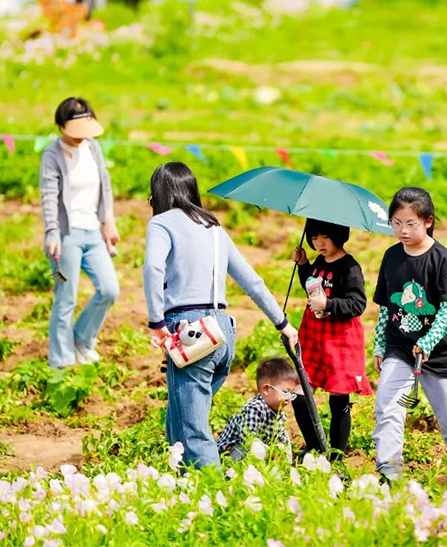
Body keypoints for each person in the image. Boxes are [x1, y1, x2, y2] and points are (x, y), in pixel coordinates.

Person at [143, 162, 298, 469]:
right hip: (222, 332)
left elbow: (152, 268)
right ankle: (181, 480)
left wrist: (156, 322)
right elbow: (252, 282)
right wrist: (283, 323)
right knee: (179, 417)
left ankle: (212, 488)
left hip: (190, 332)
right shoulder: (214, 228)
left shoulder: (161, 223)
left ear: (158, 194)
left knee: (192, 431)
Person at [372, 187, 447, 481]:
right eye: (396, 223)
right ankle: (389, 472)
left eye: (410, 223)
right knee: (388, 407)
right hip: (400, 348)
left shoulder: (441, 259)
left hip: (440, 354)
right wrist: (380, 344)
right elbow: (386, 307)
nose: (402, 230)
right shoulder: (391, 257)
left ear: (428, 222)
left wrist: (427, 342)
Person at [40, 97, 119, 369]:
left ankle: (81, 340)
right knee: (66, 298)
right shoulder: (52, 155)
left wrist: (109, 222)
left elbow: (105, 185)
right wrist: (52, 233)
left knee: (109, 289)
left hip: (93, 233)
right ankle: (60, 362)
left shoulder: (92, 147)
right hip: (66, 237)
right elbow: (49, 196)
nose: (80, 137)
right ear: (61, 126)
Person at [291, 219, 372, 462]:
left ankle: (336, 457)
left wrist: (328, 304)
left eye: (325, 237)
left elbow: (357, 304)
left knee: (339, 400)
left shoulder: (349, 268)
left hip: (340, 340)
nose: (319, 243)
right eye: (314, 238)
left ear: (339, 235)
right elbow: (312, 287)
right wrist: (304, 265)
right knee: (299, 394)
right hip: (315, 337)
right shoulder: (319, 261)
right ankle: (315, 447)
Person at [216, 358, 299, 462]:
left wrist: (280, 450)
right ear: (266, 390)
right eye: (285, 392)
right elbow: (248, 440)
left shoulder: (280, 415)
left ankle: (286, 467)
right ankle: (234, 470)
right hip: (231, 450)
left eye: (291, 394)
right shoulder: (254, 409)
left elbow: (280, 439)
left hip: (260, 450)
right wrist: (270, 451)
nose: (288, 398)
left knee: (284, 440)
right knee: (249, 447)